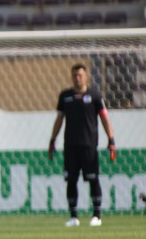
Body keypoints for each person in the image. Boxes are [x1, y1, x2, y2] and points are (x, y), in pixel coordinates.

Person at [48, 63, 117, 227]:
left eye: (80, 75)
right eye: (74, 75)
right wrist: (52, 140)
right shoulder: (65, 96)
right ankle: (73, 217)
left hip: (89, 146)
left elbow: (104, 118)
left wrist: (111, 140)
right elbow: (59, 119)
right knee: (71, 181)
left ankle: (97, 216)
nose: (77, 78)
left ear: (86, 76)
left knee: (93, 180)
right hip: (70, 146)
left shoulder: (95, 95)